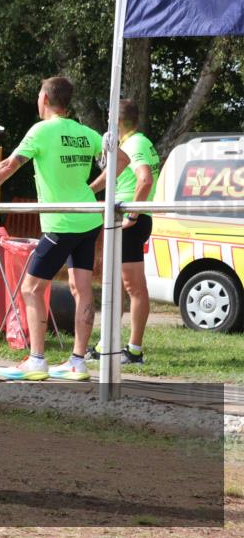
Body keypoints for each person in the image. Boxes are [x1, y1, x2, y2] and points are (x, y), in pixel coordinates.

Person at [0, 77, 129, 381]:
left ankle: (37, 359)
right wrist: (90, 190)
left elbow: (8, 165)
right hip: (87, 219)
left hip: (61, 224)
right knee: (81, 290)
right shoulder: (85, 133)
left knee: (31, 288)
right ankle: (77, 362)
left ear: (44, 98)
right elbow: (121, 160)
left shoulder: (42, 131)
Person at [87, 99, 160, 365]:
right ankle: (109, 344)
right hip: (129, 220)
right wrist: (87, 192)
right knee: (115, 284)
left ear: (116, 121)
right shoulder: (134, 143)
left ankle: (134, 351)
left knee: (133, 287)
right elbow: (111, 175)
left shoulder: (135, 144)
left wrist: (132, 214)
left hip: (131, 222)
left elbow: (145, 179)